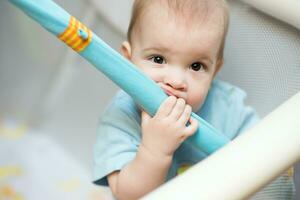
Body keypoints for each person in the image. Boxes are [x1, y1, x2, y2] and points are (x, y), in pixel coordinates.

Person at [93, 0, 295, 199]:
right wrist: (154, 151)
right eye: (158, 59)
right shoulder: (121, 116)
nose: (176, 81)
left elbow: (264, 156)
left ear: (214, 71)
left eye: (196, 66)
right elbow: (128, 195)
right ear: (127, 60)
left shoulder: (228, 106)